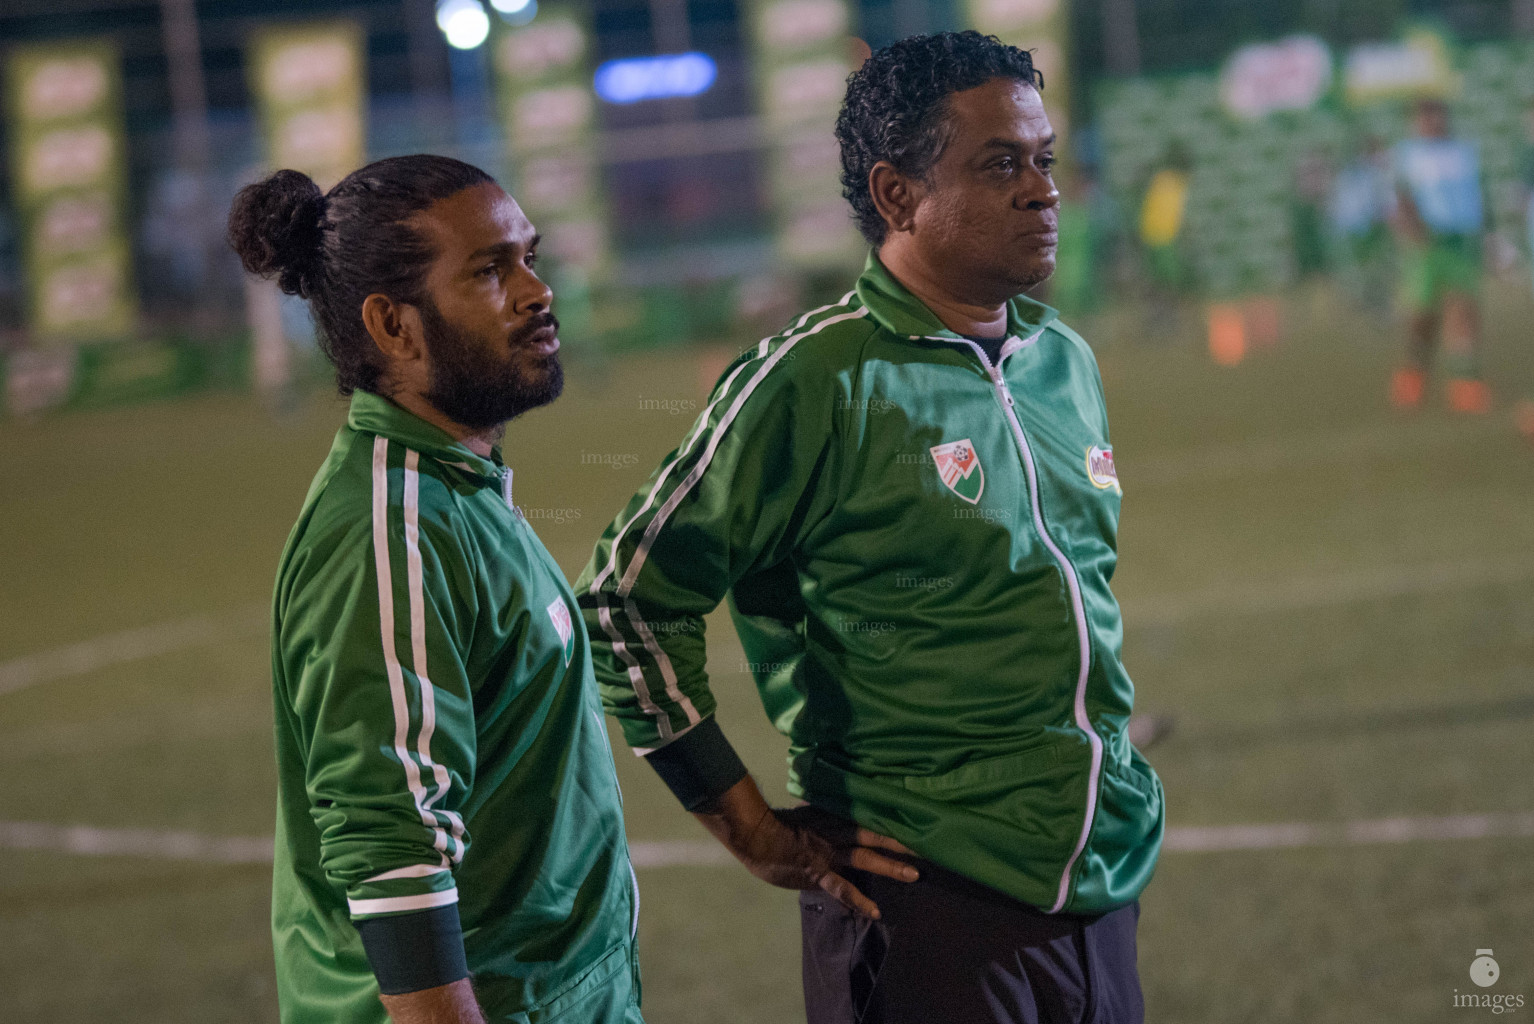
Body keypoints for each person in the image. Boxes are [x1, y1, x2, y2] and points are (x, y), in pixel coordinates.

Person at [576, 32, 1161, 1024]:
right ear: (897, 196)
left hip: (1100, 890)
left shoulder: (1063, 359)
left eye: (1045, 158)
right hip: (921, 903)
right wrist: (748, 823)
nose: (1041, 189)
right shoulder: (816, 377)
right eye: (999, 164)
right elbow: (625, 602)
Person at [228, 156, 641, 1024]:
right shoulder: (390, 528)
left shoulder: (457, 481)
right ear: (393, 325)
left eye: (530, 256)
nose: (538, 292)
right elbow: (392, 848)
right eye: (491, 271)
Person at [1388, 98, 1490, 413]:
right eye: (1426, 118)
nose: (1433, 123)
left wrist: (1489, 234)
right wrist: (1409, 231)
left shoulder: (1463, 152)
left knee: (1464, 309)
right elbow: (1400, 197)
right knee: (1423, 316)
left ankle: (1465, 382)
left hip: (1460, 240)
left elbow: (1478, 195)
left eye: (1438, 117)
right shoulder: (1407, 155)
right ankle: (1414, 372)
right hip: (1427, 243)